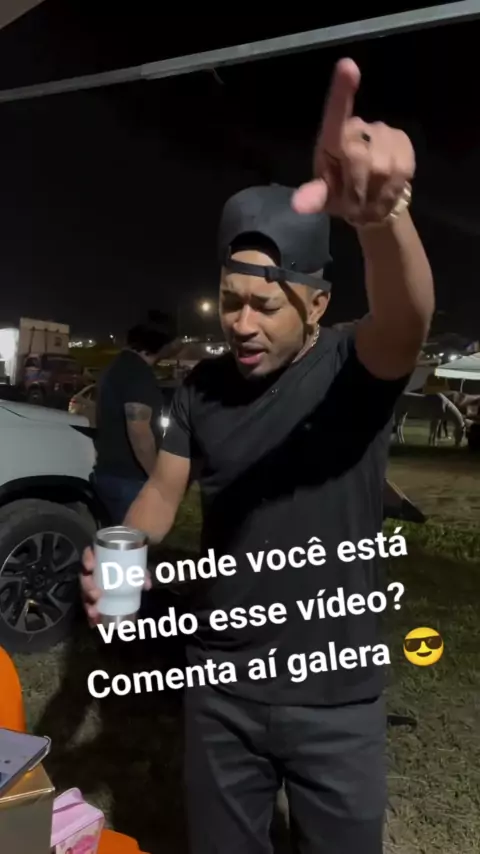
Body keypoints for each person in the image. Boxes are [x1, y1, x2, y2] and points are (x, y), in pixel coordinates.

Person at [82, 58, 434, 853]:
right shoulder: (200, 388)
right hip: (222, 690)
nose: (240, 323)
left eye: (264, 305)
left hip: (336, 698)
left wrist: (382, 219)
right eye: (230, 301)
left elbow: (408, 315)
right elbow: (162, 493)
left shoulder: (355, 368)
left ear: (316, 303)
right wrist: (122, 554)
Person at [93, 321, 167, 524]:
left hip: (108, 473)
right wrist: (157, 480)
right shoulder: (138, 373)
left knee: (115, 538)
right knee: (135, 540)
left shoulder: (115, 367)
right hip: (130, 479)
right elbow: (139, 433)